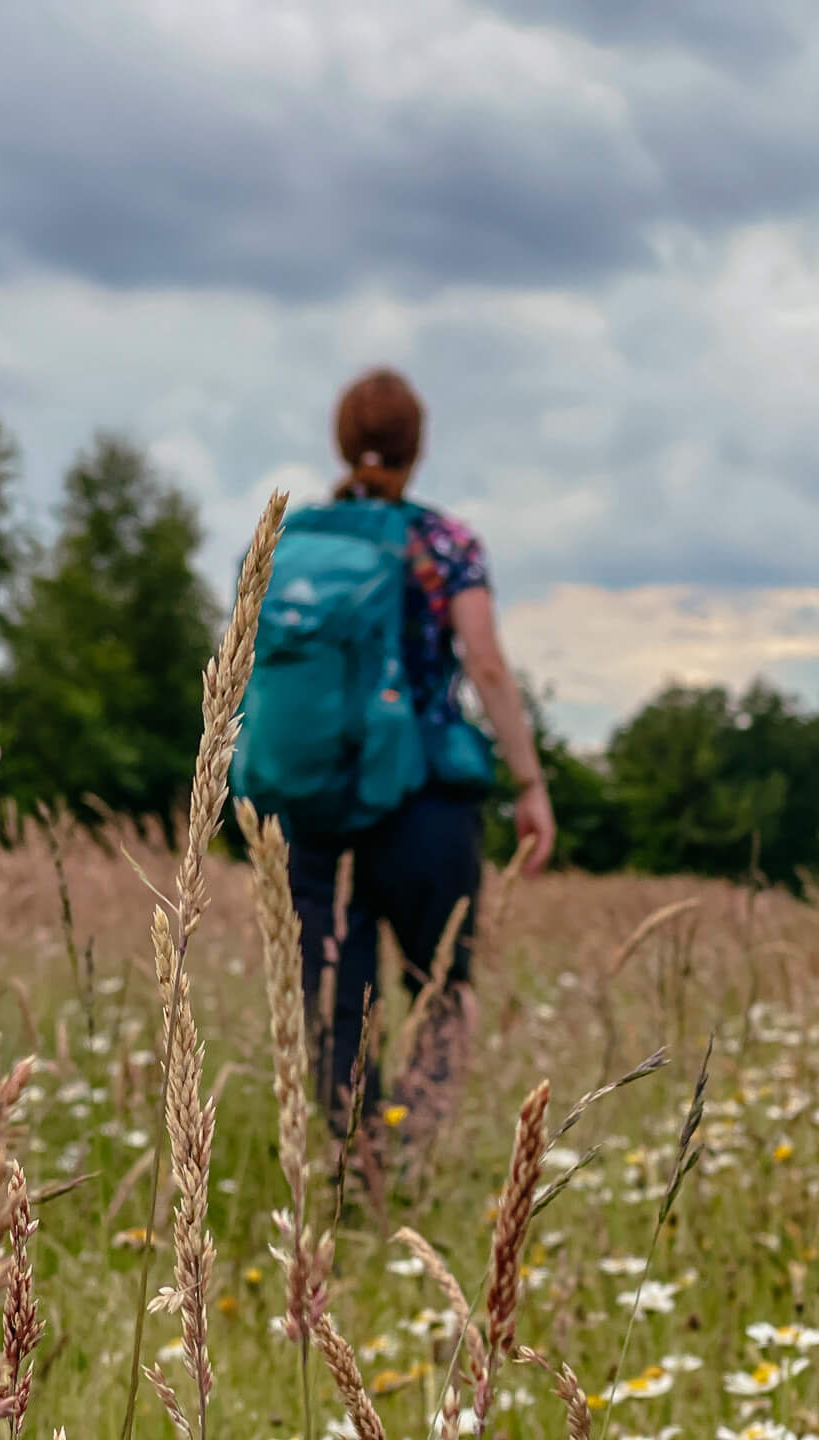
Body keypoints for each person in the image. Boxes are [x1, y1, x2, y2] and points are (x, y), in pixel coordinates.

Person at [281, 367, 555, 1180]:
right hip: (427, 799)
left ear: (340, 439)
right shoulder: (445, 543)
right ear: (418, 446)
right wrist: (529, 783)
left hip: (317, 797)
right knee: (442, 988)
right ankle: (405, 1156)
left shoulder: (295, 539)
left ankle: (350, 1163)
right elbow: (488, 665)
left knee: (337, 996)